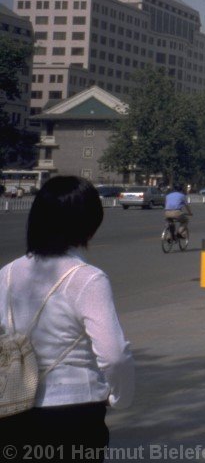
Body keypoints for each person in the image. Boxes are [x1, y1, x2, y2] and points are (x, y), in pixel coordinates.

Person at [0, 176, 134, 457]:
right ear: (88, 224)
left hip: (13, 408)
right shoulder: (87, 279)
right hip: (74, 414)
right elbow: (114, 355)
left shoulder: (7, 274)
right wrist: (119, 397)